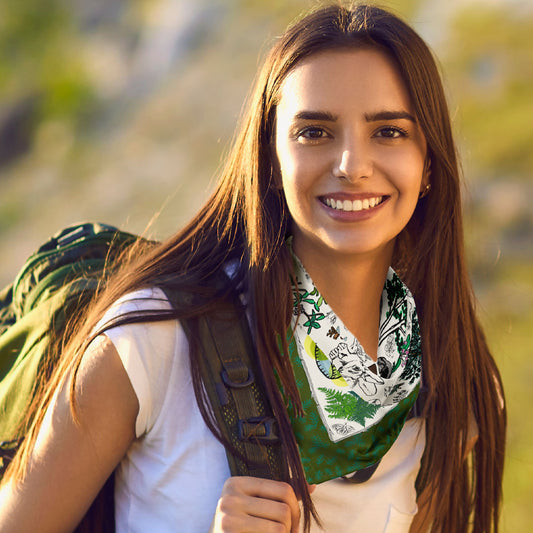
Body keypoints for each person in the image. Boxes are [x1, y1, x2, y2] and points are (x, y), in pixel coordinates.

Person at [0, 3, 506, 532]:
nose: (352, 166)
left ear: (428, 163)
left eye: (389, 132)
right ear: (271, 158)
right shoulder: (154, 336)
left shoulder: (450, 379)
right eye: (315, 132)